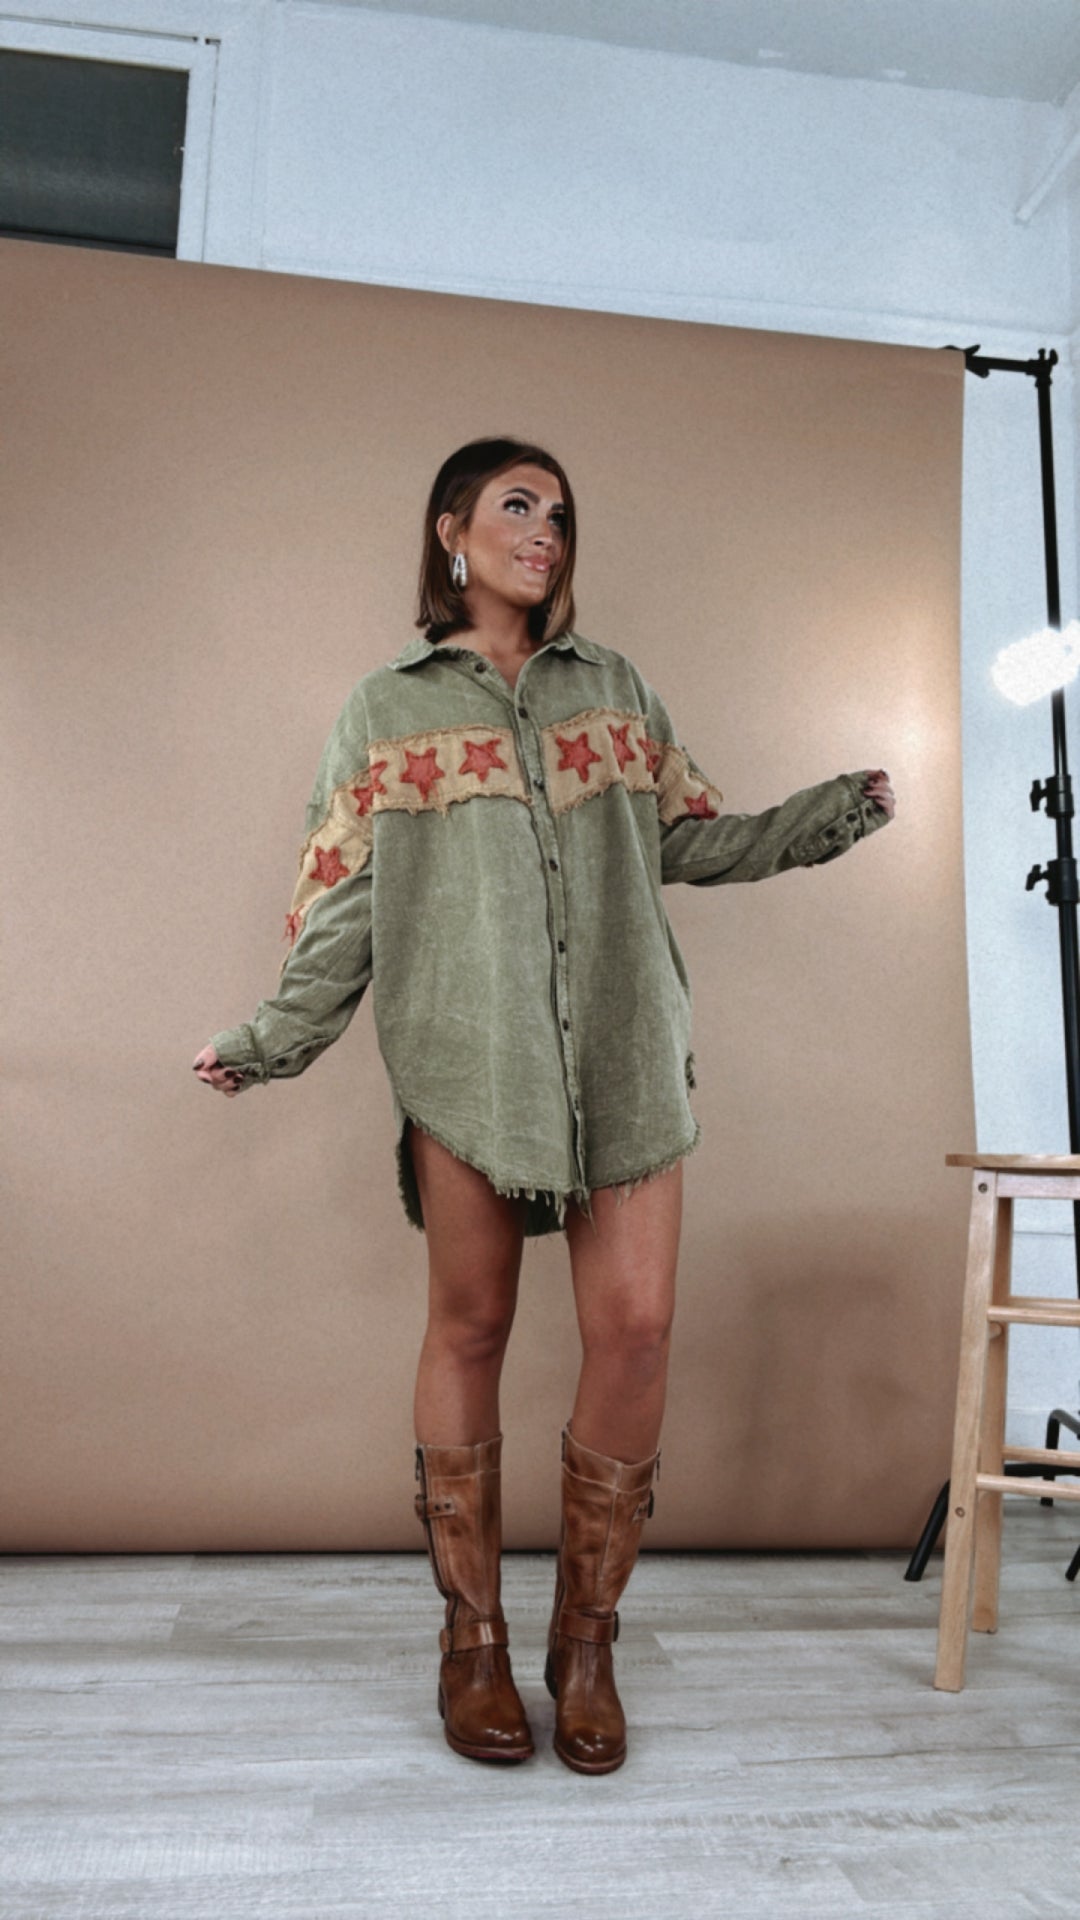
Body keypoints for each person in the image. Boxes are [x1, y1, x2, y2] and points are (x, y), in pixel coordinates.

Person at [194, 436, 895, 1775]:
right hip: (470, 1057)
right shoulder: (384, 711)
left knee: (636, 1333)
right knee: (471, 1326)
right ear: (450, 529)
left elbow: (685, 836)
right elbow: (346, 901)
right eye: (518, 507)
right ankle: (472, 1643)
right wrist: (272, 1041)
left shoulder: (614, 689)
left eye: (561, 515)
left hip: (625, 1052)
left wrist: (828, 814)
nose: (545, 533)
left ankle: (587, 1642)